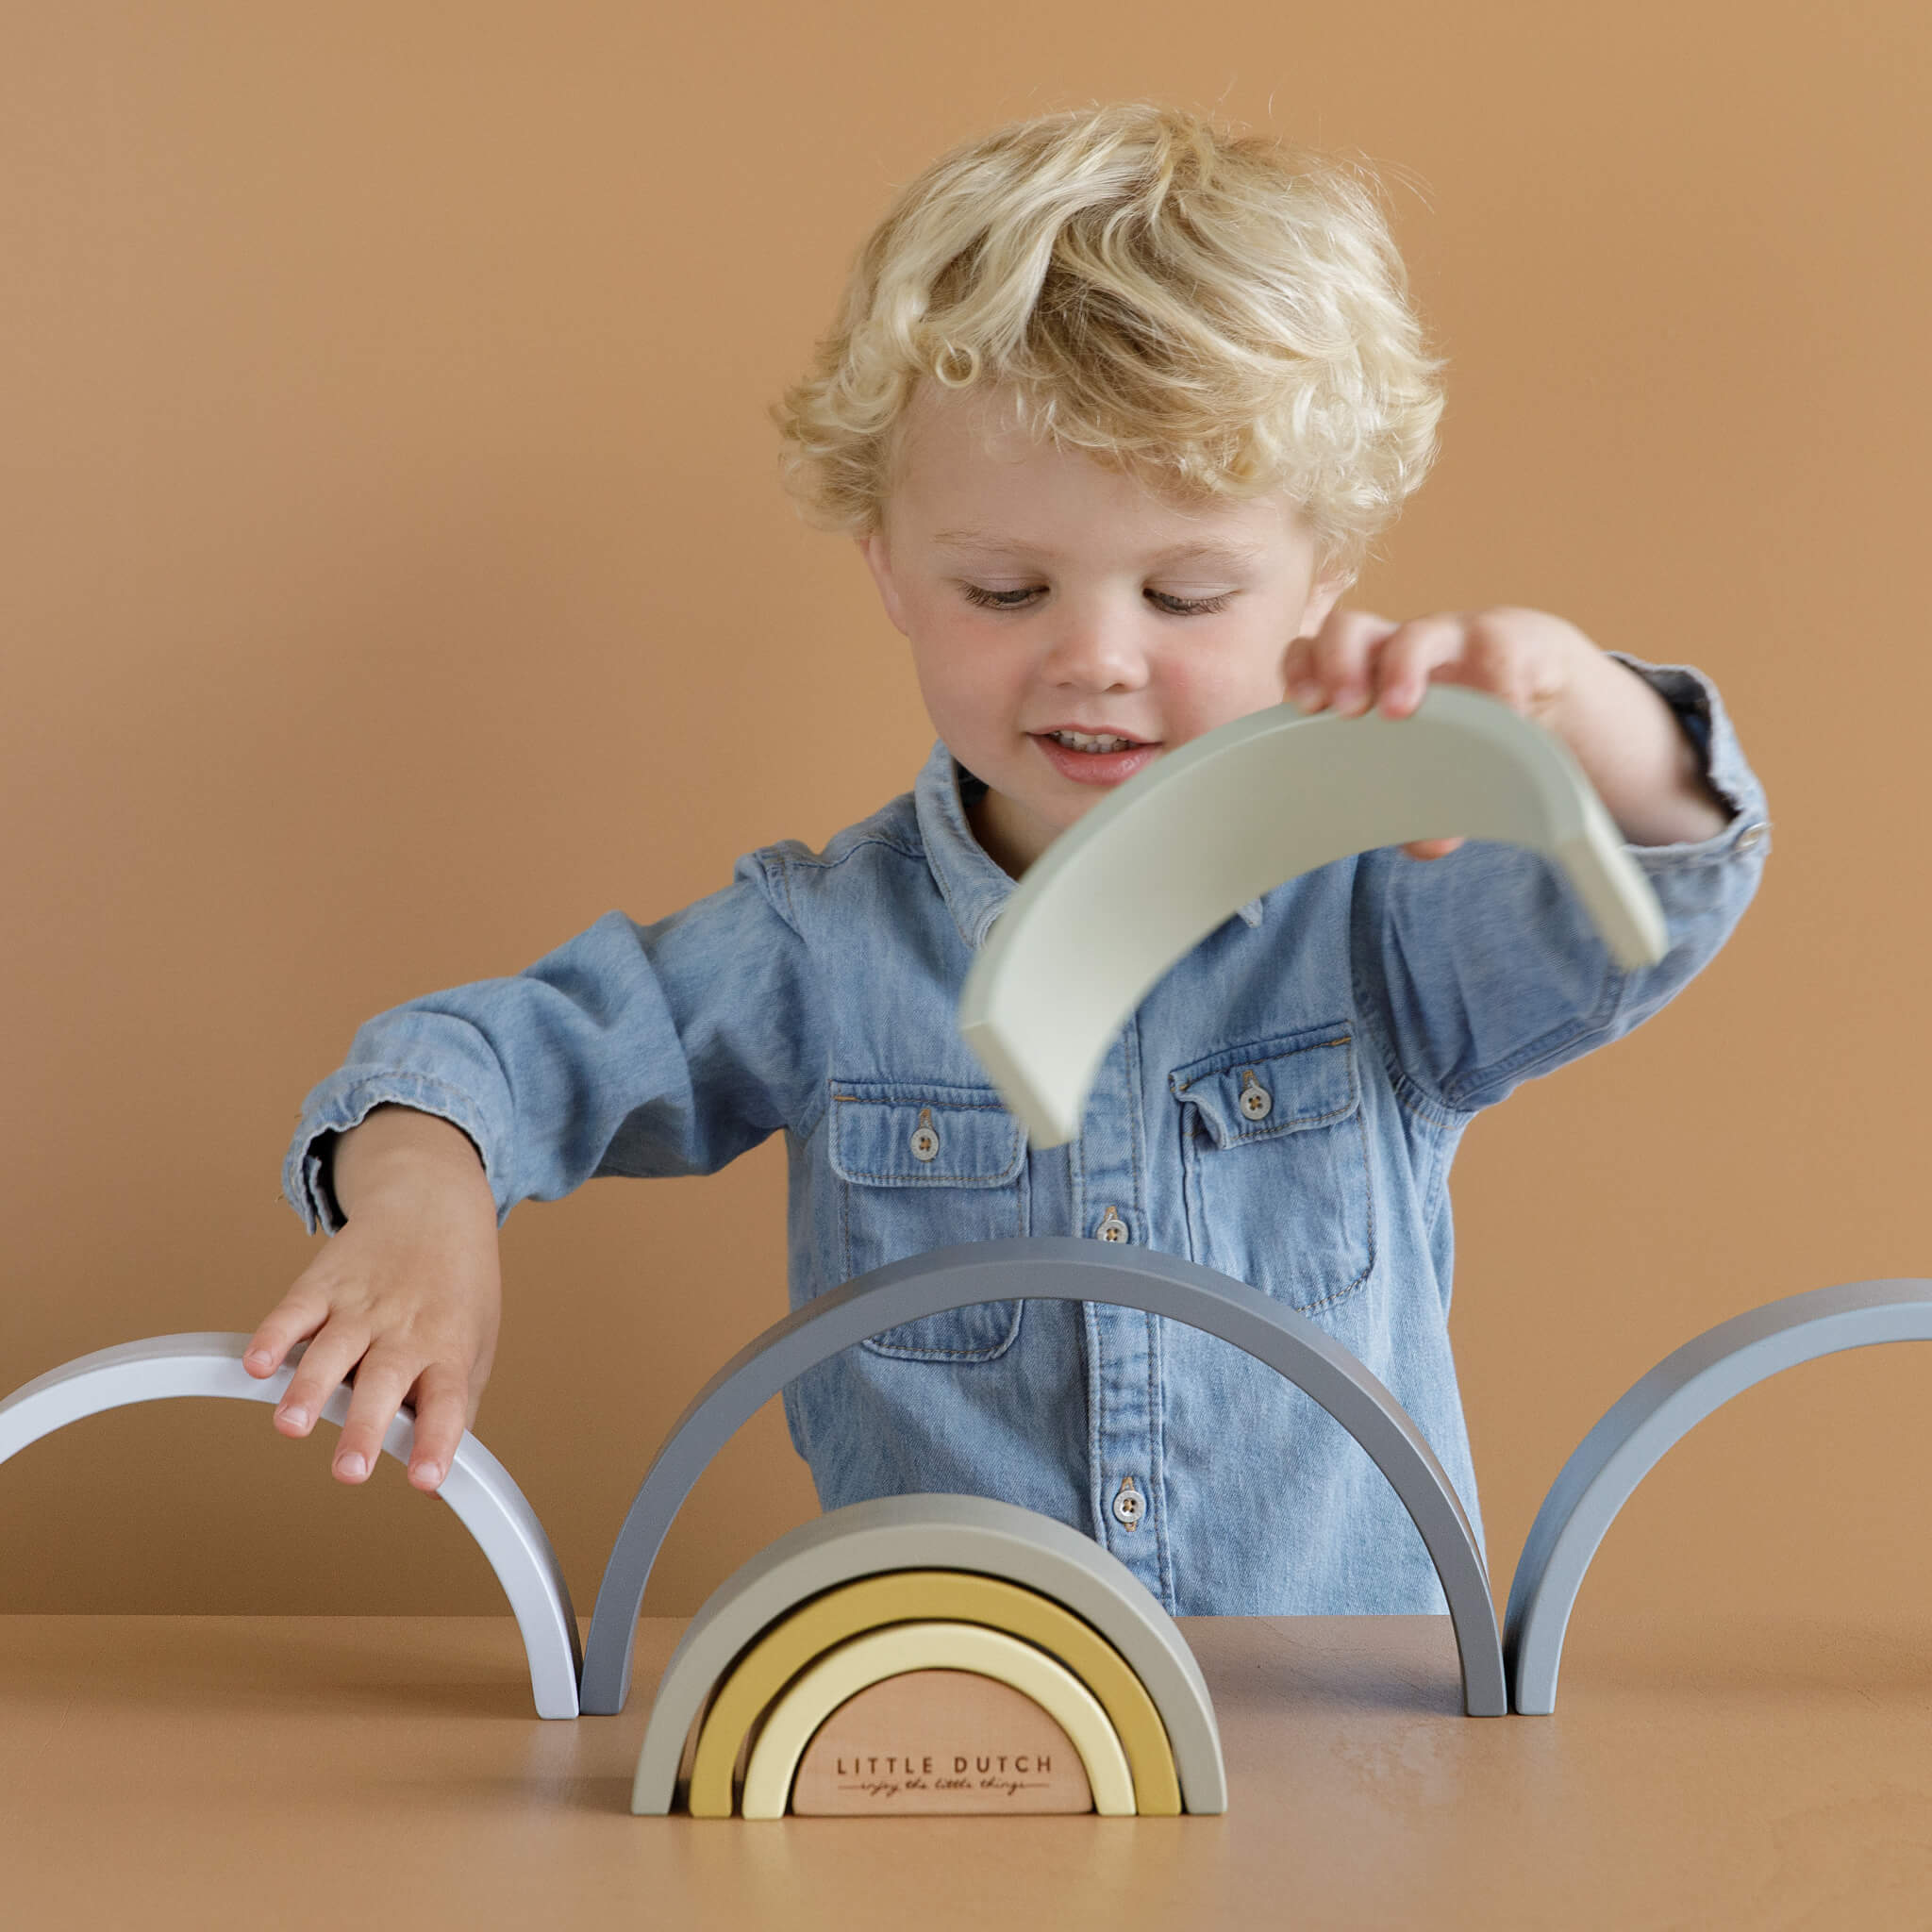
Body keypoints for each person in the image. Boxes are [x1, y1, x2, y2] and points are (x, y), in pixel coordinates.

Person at [251, 101, 1770, 1613]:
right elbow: (490, 1056)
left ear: (1321, 579)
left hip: (1346, 1763)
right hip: (947, 1751)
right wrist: (420, 1198)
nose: (1095, 658)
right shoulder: (817, 947)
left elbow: (1659, 895)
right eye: (1002, 588)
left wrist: (1585, 711)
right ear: (892, 573)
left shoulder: (1378, 922)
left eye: (1185, 595)